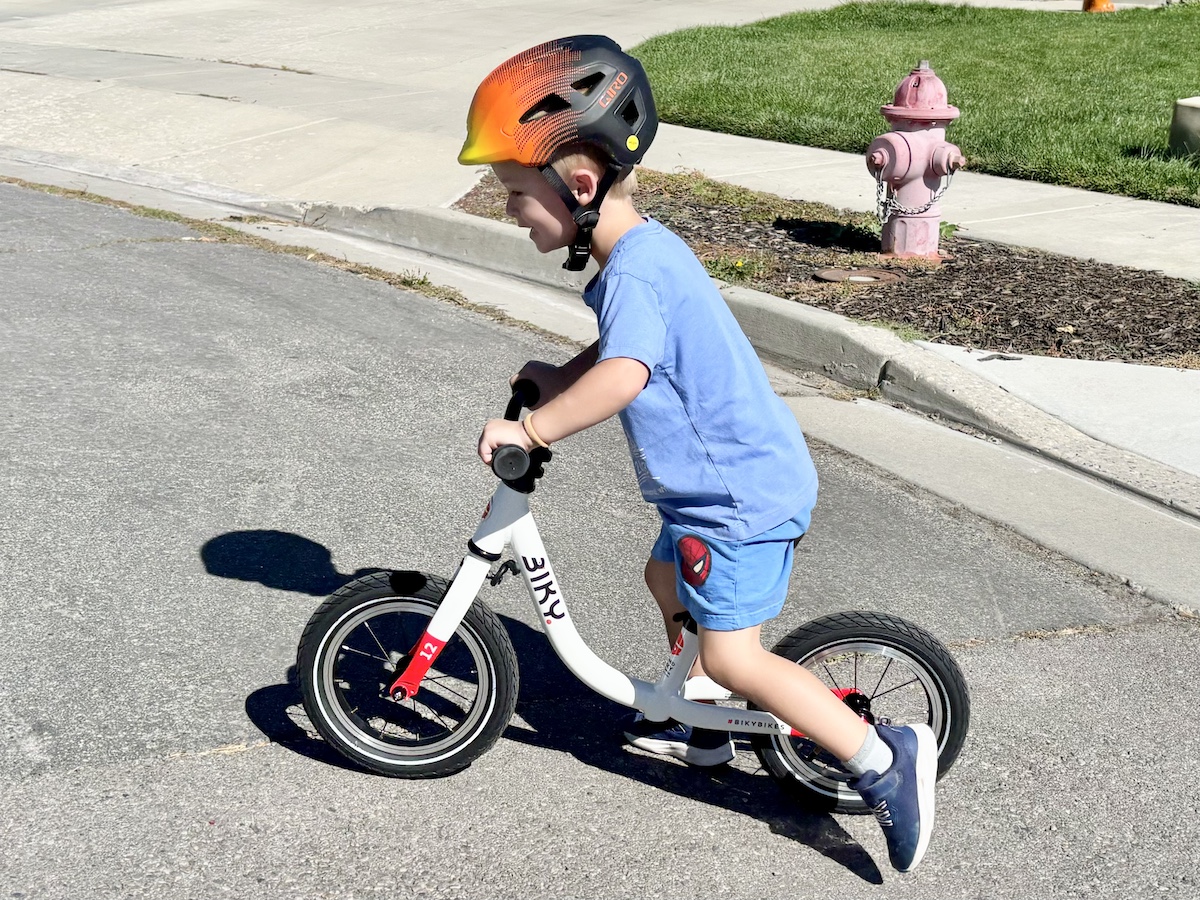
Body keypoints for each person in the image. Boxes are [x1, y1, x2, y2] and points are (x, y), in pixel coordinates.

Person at [458, 34, 937, 873]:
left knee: (733, 650)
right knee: (662, 578)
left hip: (737, 497)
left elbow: (627, 375)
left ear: (577, 185)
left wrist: (532, 431)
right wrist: (554, 371)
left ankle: (884, 759)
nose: (510, 211)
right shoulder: (635, 258)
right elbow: (620, 351)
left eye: (513, 194)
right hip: (713, 495)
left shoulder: (636, 271)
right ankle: (706, 722)